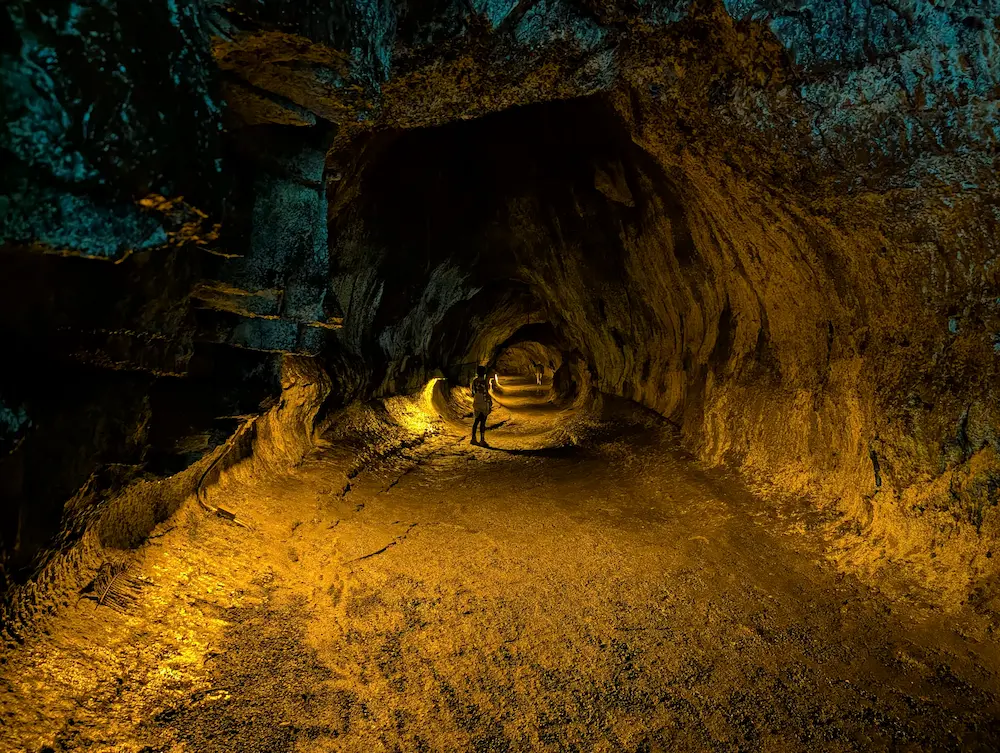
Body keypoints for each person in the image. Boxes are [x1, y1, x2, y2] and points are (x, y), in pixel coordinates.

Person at [470, 365, 492, 446]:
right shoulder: (485, 382)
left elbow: (473, 391)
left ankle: (473, 438)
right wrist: (489, 402)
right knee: (483, 422)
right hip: (483, 402)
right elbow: (486, 393)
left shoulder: (474, 381)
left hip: (476, 401)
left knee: (476, 421)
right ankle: (482, 440)